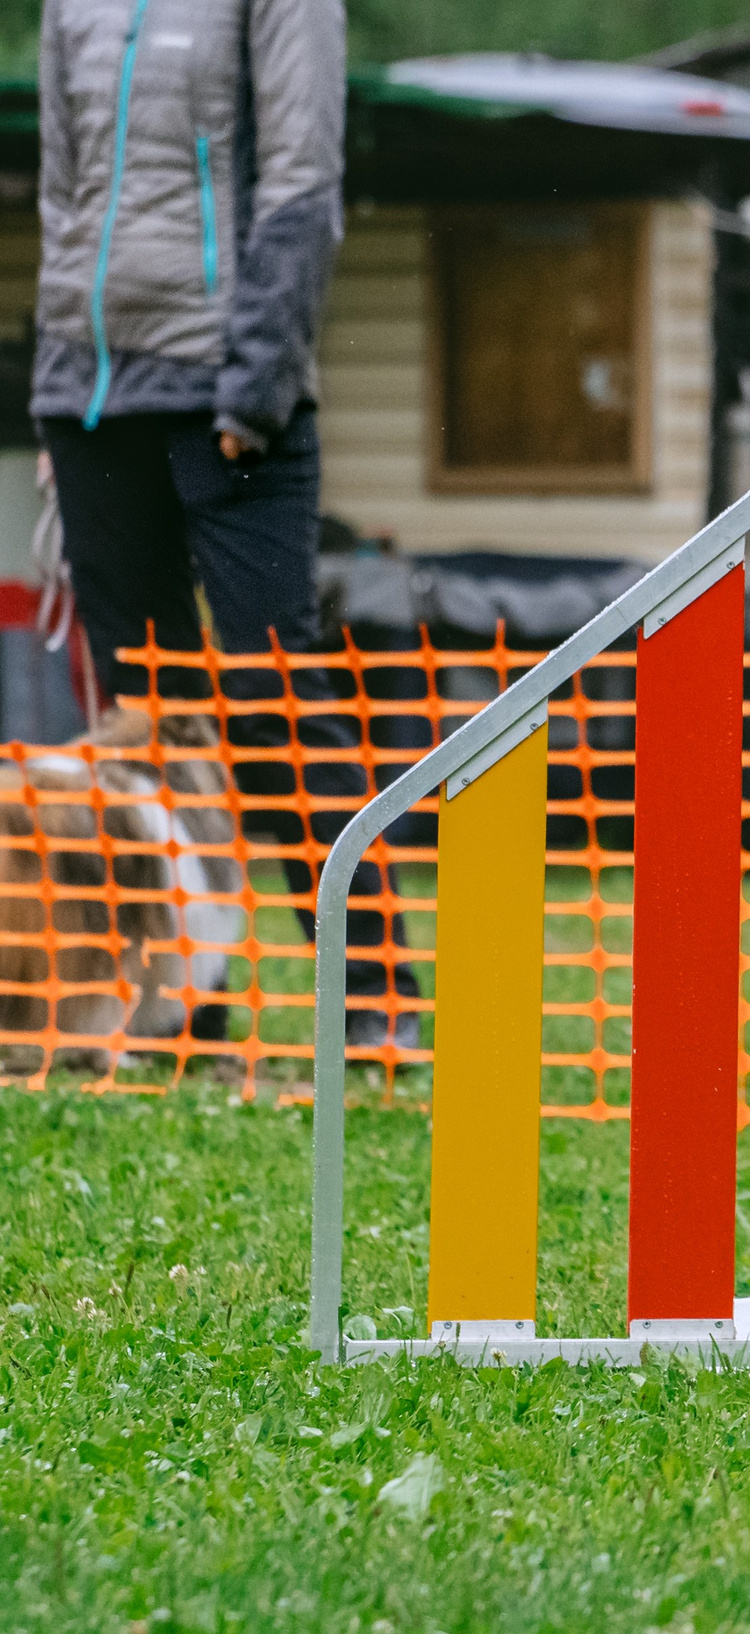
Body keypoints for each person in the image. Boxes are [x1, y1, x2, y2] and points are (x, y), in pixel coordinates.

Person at [34, 0, 415, 1048]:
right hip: (94, 397)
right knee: (139, 719)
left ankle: (375, 1002)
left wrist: (256, 386)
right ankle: (175, 1004)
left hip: (231, 395)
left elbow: (302, 183)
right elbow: (67, 195)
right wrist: (59, 384)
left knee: (275, 706)